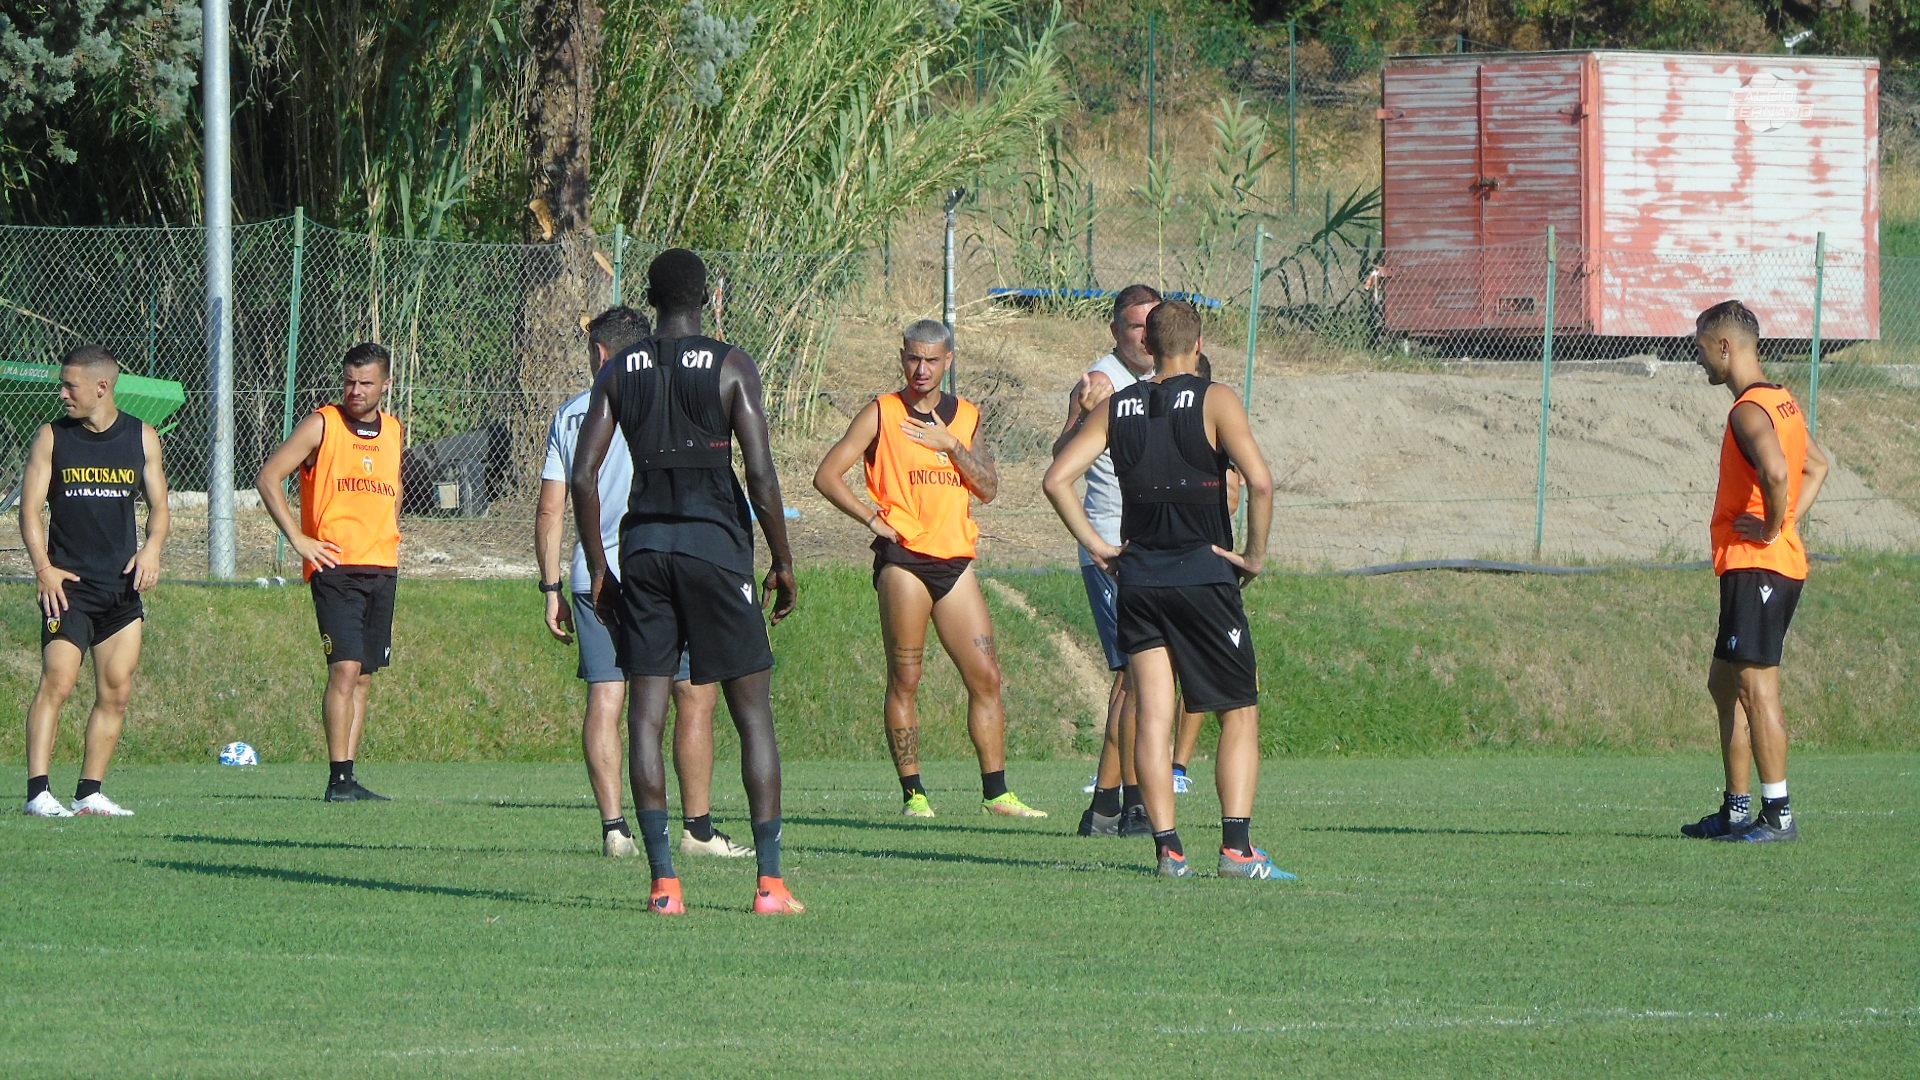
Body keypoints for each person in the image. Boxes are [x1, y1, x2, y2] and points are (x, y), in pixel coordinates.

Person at [571, 248, 802, 915]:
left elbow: (584, 475)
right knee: (751, 713)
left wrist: (600, 567)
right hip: (714, 548)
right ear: (705, 298)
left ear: (650, 298)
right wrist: (782, 560)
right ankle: (770, 884)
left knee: (645, 715)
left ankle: (664, 886)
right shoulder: (731, 365)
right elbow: (760, 474)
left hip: (644, 549)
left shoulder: (619, 370)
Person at [1044, 299, 1293, 880]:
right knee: (1238, 709)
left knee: (1153, 715)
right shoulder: (1216, 398)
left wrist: (1099, 546)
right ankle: (1237, 850)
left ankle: (1168, 850)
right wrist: (1254, 557)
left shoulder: (1118, 405)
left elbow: (1056, 479)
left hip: (1139, 579)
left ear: (1147, 347)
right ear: (1198, 345)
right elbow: (1260, 482)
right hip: (1202, 575)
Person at [536, 305, 754, 861]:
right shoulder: (669, 398)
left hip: (594, 573)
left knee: (608, 696)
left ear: (602, 353)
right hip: (660, 563)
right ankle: (697, 829)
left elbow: (551, 508)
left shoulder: (571, 414)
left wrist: (551, 586)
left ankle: (615, 829)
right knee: (691, 695)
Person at [813, 320, 1046, 821]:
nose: (921, 369)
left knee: (986, 676)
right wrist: (872, 519)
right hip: (905, 561)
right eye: (913, 358)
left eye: (932, 360)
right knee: (907, 677)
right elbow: (827, 475)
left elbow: (988, 488)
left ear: (948, 361)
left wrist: (951, 446)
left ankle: (997, 794)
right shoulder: (882, 412)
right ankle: (914, 795)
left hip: (955, 561)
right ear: (902, 357)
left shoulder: (967, 416)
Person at [1681, 300, 1829, 843]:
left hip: (1759, 566)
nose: (1699, 359)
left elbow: (1777, 471)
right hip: (1756, 564)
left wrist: (1770, 528)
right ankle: (1736, 809)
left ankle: (1778, 815)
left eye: (1701, 349)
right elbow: (1818, 465)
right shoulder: (1780, 400)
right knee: (1724, 682)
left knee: (1756, 687)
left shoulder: (1747, 411)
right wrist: (1785, 522)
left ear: (1725, 347)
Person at [19, 345, 169, 817]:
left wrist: (152, 549)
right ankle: (38, 794)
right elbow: (29, 510)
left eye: (70, 386)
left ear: (102, 387)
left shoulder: (142, 437)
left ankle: (89, 792)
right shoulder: (52, 437)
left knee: (116, 691)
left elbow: (160, 508)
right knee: (58, 682)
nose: (62, 394)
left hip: (121, 588)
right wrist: (43, 568)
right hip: (68, 588)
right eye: (62, 385)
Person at [256, 343, 403, 802]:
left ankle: (350, 778)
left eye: (366, 383)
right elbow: (268, 477)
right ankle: (337, 779)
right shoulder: (322, 424)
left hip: (382, 566)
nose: (355, 391)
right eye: (349, 382)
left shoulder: (394, 430)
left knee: (364, 674)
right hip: (335, 568)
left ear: (385, 385)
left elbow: (392, 491)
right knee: (344, 668)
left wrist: (390, 533)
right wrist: (299, 539)